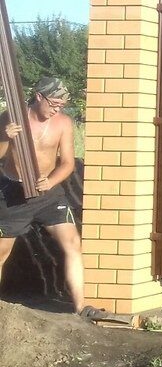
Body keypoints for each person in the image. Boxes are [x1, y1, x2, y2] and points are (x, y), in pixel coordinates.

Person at [0, 77, 93, 317]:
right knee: (1, 251)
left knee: (73, 243)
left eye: (61, 106)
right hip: (14, 192)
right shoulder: (12, 117)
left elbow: (68, 163)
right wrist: (4, 137)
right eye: (53, 104)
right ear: (39, 97)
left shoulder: (63, 123)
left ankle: (81, 307)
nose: (56, 109)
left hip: (49, 193)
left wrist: (50, 181)